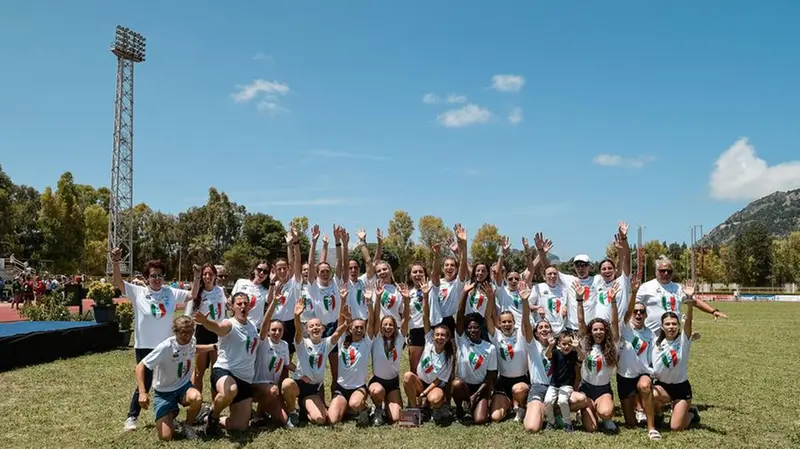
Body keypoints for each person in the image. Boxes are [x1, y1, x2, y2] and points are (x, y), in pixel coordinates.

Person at [112, 248, 194, 432]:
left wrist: (196, 278)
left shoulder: (171, 292)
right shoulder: (137, 292)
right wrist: (116, 262)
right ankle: (132, 417)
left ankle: (170, 414)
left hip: (167, 347)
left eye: (160, 275)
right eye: (153, 275)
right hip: (145, 346)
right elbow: (118, 282)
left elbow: (191, 295)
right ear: (147, 277)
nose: (157, 279)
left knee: (169, 381)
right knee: (145, 382)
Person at [195, 291, 265, 435]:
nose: (242, 306)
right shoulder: (229, 323)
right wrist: (205, 322)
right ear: (232, 307)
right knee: (230, 390)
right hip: (224, 371)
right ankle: (213, 417)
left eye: (245, 303)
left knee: (240, 426)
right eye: (239, 304)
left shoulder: (252, 325)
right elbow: (219, 329)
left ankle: (207, 417)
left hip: (244, 379)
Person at [136, 316, 210, 441]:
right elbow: (140, 366)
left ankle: (188, 425)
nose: (187, 336)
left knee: (196, 397)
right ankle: (171, 413)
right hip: (164, 392)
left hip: (183, 387)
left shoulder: (192, 340)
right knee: (165, 437)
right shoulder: (165, 347)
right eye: (183, 333)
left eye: (190, 332)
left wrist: (212, 347)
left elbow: (193, 349)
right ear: (175, 332)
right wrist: (142, 393)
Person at [283, 289, 349, 425]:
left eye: (318, 325)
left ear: (323, 329)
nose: (315, 328)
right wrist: (297, 317)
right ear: (307, 330)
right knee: (286, 383)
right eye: (311, 326)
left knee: (320, 419)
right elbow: (298, 332)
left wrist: (347, 322)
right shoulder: (302, 343)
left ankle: (303, 407)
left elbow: (337, 332)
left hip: (312, 388)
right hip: (299, 383)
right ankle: (291, 412)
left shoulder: (326, 343)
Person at [329, 283, 384, 426]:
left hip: (358, 387)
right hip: (341, 388)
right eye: (356, 327)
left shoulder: (367, 343)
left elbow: (373, 321)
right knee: (333, 419)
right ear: (350, 329)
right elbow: (341, 322)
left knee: (355, 403)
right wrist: (342, 299)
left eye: (361, 328)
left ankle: (365, 410)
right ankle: (348, 407)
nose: (359, 330)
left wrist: (370, 302)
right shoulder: (343, 341)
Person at [402, 282, 454, 425]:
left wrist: (424, 395)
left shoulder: (449, 356)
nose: (439, 337)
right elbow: (425, 317)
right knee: (407, 376)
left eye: (443, 335)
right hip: (421, 382)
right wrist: (425, 296)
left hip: (434, 387)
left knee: (434, 399)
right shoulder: (429, 341)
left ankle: (436, 408)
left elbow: (438, 381)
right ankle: (414, 410)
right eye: (437, 334)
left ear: (448, 338)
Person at [652, 280, 701, 431]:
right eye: (667, 324)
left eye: (674, 324)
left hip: (681, 388)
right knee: (647, 392)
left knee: (675, 427)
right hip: (662, 387)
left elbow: (689, 323)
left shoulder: (683, 341)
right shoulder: (655, 342)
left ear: (678, 326)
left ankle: (691, 413)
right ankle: (659, 413)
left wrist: (690, 301)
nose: (671, 327)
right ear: (662, 327)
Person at [635, 256, 727, 333]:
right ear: (656, 272)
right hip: (650, 335)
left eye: (669, 271)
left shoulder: (677, 288)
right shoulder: (646, 287)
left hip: (672, 336)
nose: (666, 273)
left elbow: (694, 302)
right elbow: (633, 307)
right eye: (662, 271)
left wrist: (713, 311)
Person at [574, 280, 620, 433]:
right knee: (591, 428)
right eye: (595, 329)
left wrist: (613, 301)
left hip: (603, 389)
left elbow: (614, 322)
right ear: (590, 331)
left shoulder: (612, 345)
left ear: (605, 332)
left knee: (606, 412)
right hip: (585, 389)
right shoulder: (585, 343)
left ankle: (605, 417)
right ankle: (587, 408)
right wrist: (579, 300)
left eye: (601, 329)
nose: (598, 332)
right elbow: (581, 321)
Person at [486, 272, 531, 423]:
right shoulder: (497, 335)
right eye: (503, 322)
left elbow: (525, 320)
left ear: (513, 322)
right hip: (503, 381)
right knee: (495, 417)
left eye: (509, 322)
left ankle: (521, 404)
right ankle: (511, 404)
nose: (506, 324)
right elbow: (487, 318)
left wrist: (524, 301)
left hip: (521, 380)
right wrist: (491, 298)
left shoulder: (521, 335)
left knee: (518, 389)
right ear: (499, 323)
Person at [452, 281, 498, 425]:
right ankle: (460, 407)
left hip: (481, 387)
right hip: (465, 385)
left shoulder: (489, 348)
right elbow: (459, 316)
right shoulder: (462, 341)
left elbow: (491, 376)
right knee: (456, 384)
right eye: (470, 328)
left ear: (480, 329)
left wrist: (477, 395)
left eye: (476, 328)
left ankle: (475, 404)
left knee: (480, 419)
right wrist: (464, 294)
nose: (473, 330)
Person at [367, 278, 412, 425]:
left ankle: (388, 402)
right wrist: (377, 298)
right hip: (378, 382)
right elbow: (373, 318)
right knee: (376, 392)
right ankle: (378, 407)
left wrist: (406, 301)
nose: (387, 327)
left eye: (390, 325)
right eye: (385, 325)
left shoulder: (400, 337)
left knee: (396, 418)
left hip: (393, 383)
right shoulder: (376, 337)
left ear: (395, 327)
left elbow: (405, 319)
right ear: (381, 327)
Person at [617, 298, 660, 440]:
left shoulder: (650, 334)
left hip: (643, 374)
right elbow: (625, 314)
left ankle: (651, 427)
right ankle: (640, 411)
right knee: (631, 424)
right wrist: (633, 293)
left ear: (646, 315)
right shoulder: (624, 328)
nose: (638, 314)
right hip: (625, 376)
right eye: (635, 311)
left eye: (642, 312)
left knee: (645, 385)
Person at [252, 281, 294, 427]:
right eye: (273, 330)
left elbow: (288, 365)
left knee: (284, 419)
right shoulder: (263, 341)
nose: (276, 333)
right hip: (256, 386)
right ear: (268, 331)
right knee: (273, 391)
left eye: (280, 330)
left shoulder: (284, 345)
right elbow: (264, 323)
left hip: (273, 388)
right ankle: (258, 417)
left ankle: (269, 409)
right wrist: (274, 303)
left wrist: (304, 372)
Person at [185, 264, 226, 399]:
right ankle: (197, 401)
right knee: (199, 372)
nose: (208, 277)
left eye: (210, 274)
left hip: (217, 331)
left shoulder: (220, 291)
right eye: (205, 274)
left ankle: (214, 403)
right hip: (203, 332)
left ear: (215, 276)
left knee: (216, 371)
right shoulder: (198, 293)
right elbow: (188, 314)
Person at [543, 331, 580, 432]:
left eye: (569, 344)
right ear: (559, 344)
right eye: (564, 344)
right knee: (548, 401)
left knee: (562, 401)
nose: (566, 346)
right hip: (554, 384)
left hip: (567, 385)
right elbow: (547, 354)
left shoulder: (574, 354)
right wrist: (550, 346)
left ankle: (568, 423)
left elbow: (582, 357)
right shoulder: (555, 352)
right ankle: (551, 422)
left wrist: (577, 347)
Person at [231, 260, 272, 329]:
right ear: (254, 270)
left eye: (265, 272)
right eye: (259, 270)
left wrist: (272, 281)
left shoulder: (266, 290)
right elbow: (231, 301)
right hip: (237, 325)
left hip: (254, 327)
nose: (262, 273)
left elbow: (270, 302)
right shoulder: (240, 282)